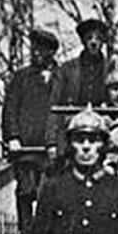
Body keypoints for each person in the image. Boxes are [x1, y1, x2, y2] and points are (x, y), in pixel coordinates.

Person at [3, 27, 59, 234]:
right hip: (26, 148)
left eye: (42, 50)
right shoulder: (22, 78)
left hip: (51, 149)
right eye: (34, 49)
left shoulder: (61, 77)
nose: (36, 53)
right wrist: (13, 137)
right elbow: (10, 108)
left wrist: (59, 141)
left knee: (49, 193)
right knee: (26, 190)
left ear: (51, 52)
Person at [48, 16, 110, 156]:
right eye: (89, 38)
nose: (93, 42)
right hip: (72, 128)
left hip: (101, 128)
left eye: (98, 38)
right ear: (82, 41)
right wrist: (51, 142)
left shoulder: (111, 68)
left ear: (103, 42)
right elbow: (54, 104)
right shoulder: (67, 70)